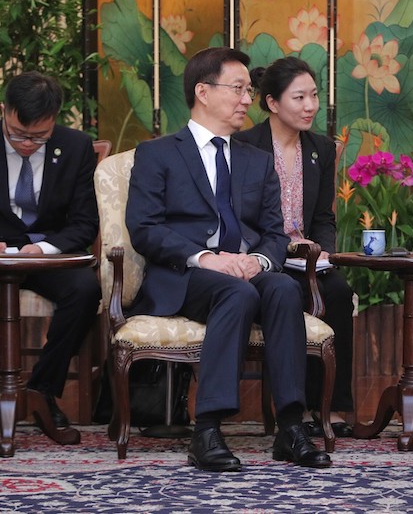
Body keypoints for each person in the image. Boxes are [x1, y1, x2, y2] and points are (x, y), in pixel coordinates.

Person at [125, 47, 331, 472]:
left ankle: (291, 427)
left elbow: (275, 233)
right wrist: (204, 257)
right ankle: (208, 430)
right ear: (203, 91)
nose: (246, 100)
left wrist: (258, 260)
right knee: (235, 294)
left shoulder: (257, 161)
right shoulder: (159, 154)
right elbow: (144, 228)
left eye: (248, 90)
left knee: (282, 288)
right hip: (186, 276)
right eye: (237, 89)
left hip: (244, 270)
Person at [234, 57, 355, 438]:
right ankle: (297, 407)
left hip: (307, 261)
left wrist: (324, 250)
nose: (310, 106)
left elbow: (323, 216)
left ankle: (333, 406)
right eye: (299, 97)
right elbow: (237, 217)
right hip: (262, 258)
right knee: (285, 295)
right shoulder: (244, 146)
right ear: (272, 103)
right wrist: (277, 248)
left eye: (314, 96)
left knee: (337, 291)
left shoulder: (319, 148)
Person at [0, 71, 101, 440]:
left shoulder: (75, 147)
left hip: (46, 254)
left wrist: (41, 248)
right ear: (5, 111)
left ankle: (41, 390)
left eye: (38, 136)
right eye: (16, 134)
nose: (26, 144)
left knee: (85, 290)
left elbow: (85, 222)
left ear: (56, 119)